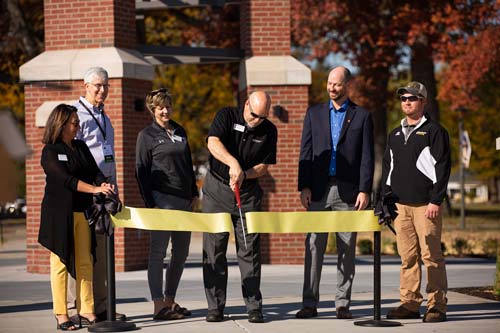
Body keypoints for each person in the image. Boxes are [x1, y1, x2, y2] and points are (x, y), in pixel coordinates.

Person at [296, 66, 374, 319]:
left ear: (348, 86)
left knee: (347, 248)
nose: (332, 88)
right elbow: (305, 153)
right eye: (329, 83)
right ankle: (309, 303)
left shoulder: (361, 116)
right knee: (313, 246)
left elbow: (367, 157)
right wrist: (304, 186)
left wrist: (364, 189)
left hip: (348, 192)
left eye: (337, 84)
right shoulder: (314, 113)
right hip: (318, 190)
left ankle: (342, 303)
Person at [202, 91, 277, 323]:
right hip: (217, 189)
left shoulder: (269, 130)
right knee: (214, 250)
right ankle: (215, 306)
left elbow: (265, 165)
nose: (257, 121)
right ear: (246, 104)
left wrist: (245, 174)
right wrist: (232, 162)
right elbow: (212, 142)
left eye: (262, 117)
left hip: (247, 193)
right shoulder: (227, 115)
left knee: (250, 250)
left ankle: (254, 306)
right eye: (254, 115)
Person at [38, 104, 115, 330]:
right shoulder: (50, 151)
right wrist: (93, 190)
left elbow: (94, 171)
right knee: (60, 263)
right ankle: (61, 313)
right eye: (74, 123)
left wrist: (103, 183)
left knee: (85, 261)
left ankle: (87, 309)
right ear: (61, 125)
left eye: (78, 122)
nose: (78, 126)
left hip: (83, 212)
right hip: (58, 215)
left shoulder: (80, 146)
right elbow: (66, 180)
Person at [382, 81, 451, 323]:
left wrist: (436, 200)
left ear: (423, 101)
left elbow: (443, 168)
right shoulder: (394, 134)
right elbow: (388, 170)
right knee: (407, 257)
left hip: (426, 206)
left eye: (412, 98)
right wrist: (385, 199)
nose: (407, 102)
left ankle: (437, 305)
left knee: (431, 256)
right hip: (401, 206)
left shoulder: (435, 131)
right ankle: (410, 302)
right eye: (403, 99)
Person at [135, 88, 199, 321]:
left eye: (168, 106)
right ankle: (158, 305)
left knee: (180, 253)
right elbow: (140, 171)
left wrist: (194, 192)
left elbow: (188, 163)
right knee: (158, 253)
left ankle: (170, 301)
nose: (165, 110)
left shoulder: (180, 130)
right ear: (153, 110)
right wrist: (150, 203)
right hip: (161, 200)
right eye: (160, 107)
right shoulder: (146, 136)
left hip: (184, 201)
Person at [70, 66, 125, 322]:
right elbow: (74, 156)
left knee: (102, 252)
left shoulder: (105, 118)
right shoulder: (76, 115)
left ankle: (102, 307)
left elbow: (109, 157)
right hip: (86, 192)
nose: (102, 90)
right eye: (97, 85)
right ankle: (76, 308)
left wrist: (114, 189)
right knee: (81, 251)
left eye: (106, 86)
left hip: (105, 193)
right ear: (86, 86)